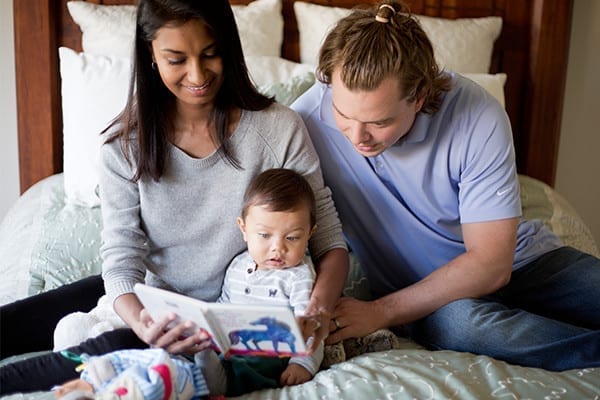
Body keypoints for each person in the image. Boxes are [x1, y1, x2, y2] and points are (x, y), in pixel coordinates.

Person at [0, 0, 348, 395]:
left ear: (229, 47)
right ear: (151, 54)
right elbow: (120, 265)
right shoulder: (124, 147)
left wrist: (316, 310)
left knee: (108, 351)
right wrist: (144, 321)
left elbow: (330, 242)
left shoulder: (280, 129)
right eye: (176, 59)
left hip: (227, 321)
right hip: (154, 299)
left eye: (210, 54)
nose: (197, 75)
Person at [291, 0, 600, 372]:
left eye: (380, 121)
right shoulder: (305, 120)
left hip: (522, 262)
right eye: (343, 114)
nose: (358, 136)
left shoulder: (477, 114)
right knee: (468, 327)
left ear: (419, 97)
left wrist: (378, 312)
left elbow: (491, 264)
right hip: (427, 298)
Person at [55, 168, 325, 399]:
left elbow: (312, 326)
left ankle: (211, 379)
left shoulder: (299, 275)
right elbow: (223, 306)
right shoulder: (238, 265)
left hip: (264, 351)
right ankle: (108, 374)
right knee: (174, 348)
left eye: (292, 238)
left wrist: (303, 364)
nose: (277, 248)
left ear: (310, 234)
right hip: (224, 345)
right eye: (264, 235)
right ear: (243, 229)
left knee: (255, 367)